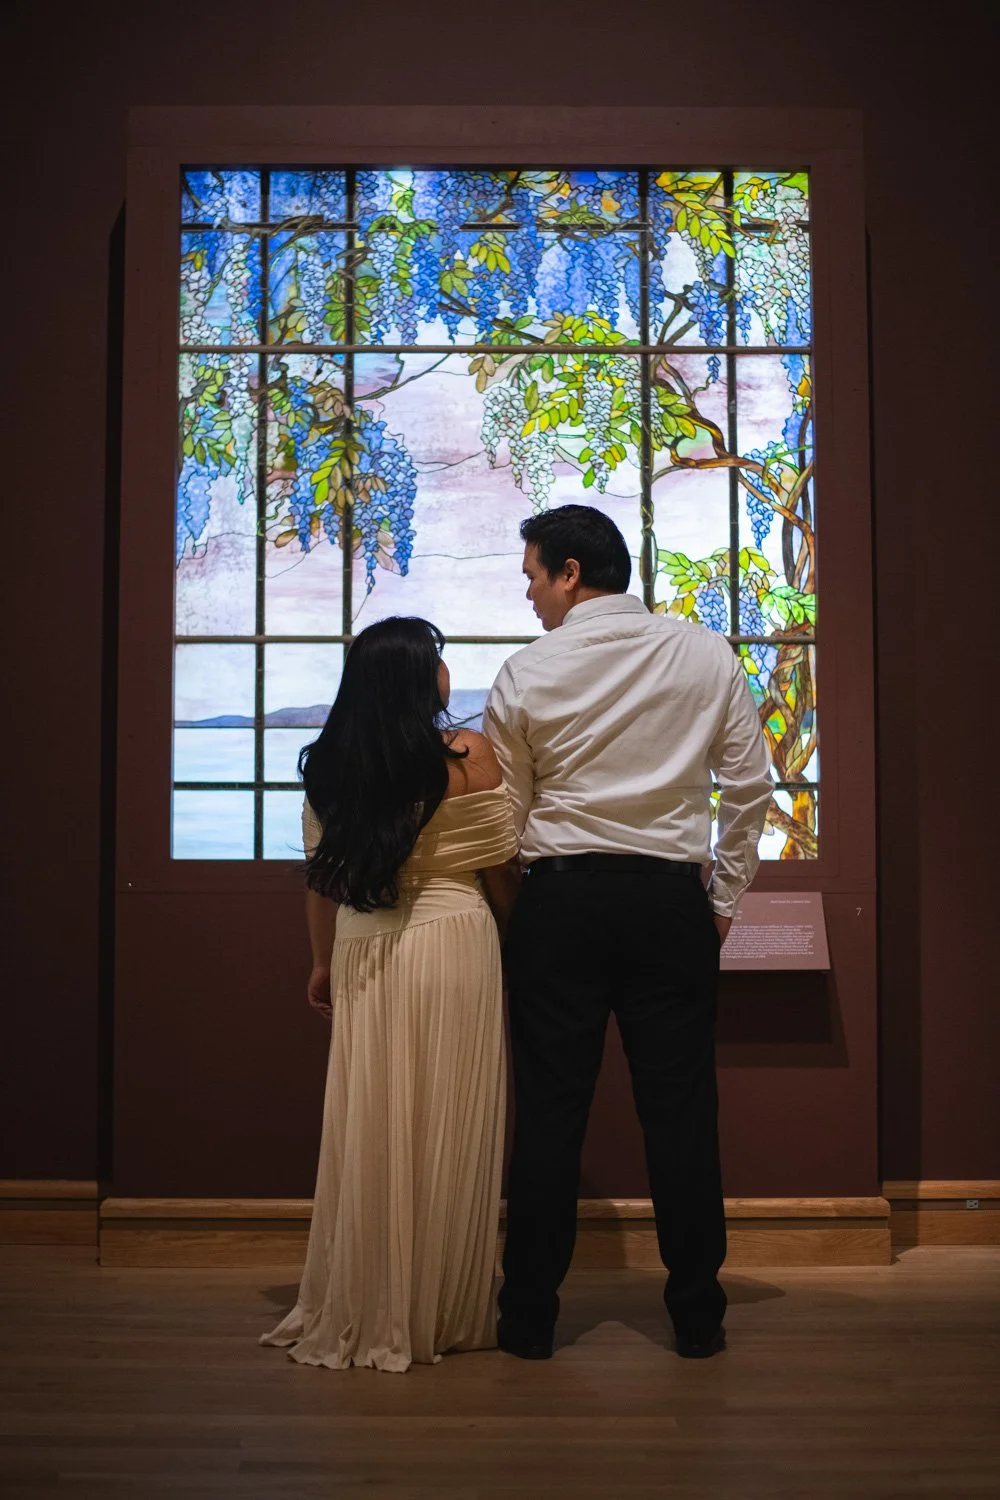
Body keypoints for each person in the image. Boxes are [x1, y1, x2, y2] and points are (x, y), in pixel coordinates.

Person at [484, 505, 773, 1361]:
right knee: (682, 1113)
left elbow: (508, 819)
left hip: (560, 900)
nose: (529, 590)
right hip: (667, 902)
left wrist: (521, 915)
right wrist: (720, 902)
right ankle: (697, 1317)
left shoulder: (526, 671)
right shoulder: (704, 652)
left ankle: (528, 1319)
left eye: (535, 573)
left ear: (572, 573)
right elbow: (750, 788)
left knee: (547, 1115)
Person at [261, 616, 521, 1372]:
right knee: (449, 1117)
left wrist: (319, 964)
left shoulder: (333, 766)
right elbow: (500, 866)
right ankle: (442, 1304)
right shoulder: (469, 755)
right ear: (417, 676)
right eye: (438, 659)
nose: (447, 672)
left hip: (361, 944)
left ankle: (369, 1293)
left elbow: (323, 880)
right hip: (455, 940)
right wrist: (517, 936)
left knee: (373, 1119)